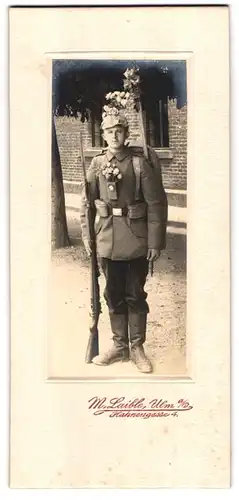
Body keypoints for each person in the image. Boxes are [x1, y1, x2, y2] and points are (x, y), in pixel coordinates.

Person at [79, 109, 167, 373]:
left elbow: (156, 204)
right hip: (106, 238)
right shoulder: (96, 164)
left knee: (135, 294)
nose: (114, 135)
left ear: (126, 134)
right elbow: (86, 205)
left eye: (119, 130)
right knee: (112, 294)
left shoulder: (140, 164)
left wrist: (154, 243)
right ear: (103, 135)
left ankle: (137, 347)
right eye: (108, 131)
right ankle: (119, 346)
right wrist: (87, 237)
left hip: (136, 240)